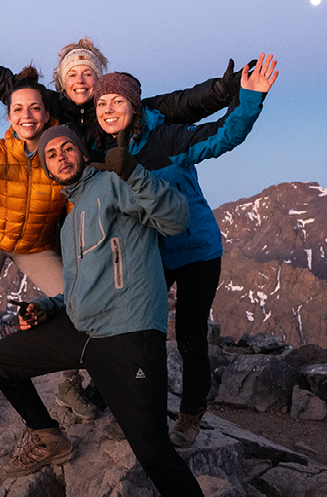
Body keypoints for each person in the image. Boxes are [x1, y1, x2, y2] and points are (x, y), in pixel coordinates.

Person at [0, 125, 232, 497]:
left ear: (81, 152)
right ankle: (48, 435)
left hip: (129, 334)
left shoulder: (114, 182)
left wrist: (135, 171)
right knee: (2, 361)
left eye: (66, 148)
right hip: (83, 330)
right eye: (50, 154)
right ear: (48, 167)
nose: (59, 157)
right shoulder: (71, 212)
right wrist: (51, 308)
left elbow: (177, 218)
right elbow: (82, 283)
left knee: (154, 451)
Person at [90, 54, 279, 447]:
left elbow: (221, 136)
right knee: (143, 335)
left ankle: (191, 413)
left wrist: (249, 100)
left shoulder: (166, 138)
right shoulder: (99, 152)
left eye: (117, 102)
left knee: (190, 335)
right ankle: (141, 408)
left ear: (134, 106)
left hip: (195, 250)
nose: (109, 110)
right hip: (148, 256)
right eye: (101, 104)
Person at [0, 67, 99, 430]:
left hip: (35, 245)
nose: (27, 116)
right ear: (9, 116)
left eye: (34, 109)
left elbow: (77, 204)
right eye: (18, 110)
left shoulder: (60, 151)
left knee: (78, 303)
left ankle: (70, 386)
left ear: (46, 113)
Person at [0, 21, 244, 141]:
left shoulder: (115, 108)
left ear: (99, 79)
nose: (80, 81)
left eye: (88, 74)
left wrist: (219, 90)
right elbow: (2, 83)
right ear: (62, 83)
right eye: (72, 75)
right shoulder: (48, 105)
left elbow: (177, 106)